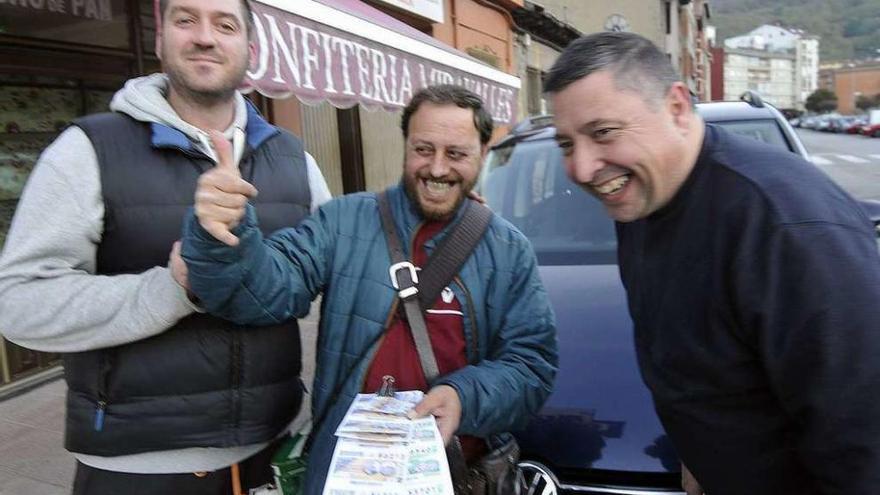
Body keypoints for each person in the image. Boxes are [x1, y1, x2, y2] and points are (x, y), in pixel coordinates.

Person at [0, 0, 331, 493]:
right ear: (160, 40)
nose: (205, 37)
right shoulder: (88, 150)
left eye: (225, 24)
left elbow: (341, 272)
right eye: (185, 19)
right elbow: (19, 305)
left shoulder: (293, 158)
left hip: (270, 456)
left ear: (249, 48)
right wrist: (172, 289)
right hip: (138, 470)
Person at [544, 31, 880, 495]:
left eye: (604, 133)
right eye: (566, 144)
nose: (582, 168)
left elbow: (864, 446)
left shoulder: (788, 230)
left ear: (677, 108)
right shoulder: (644, 199)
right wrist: (700, 454)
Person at [181, 84, 558, 493]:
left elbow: (532, 366)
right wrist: (223, 234)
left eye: (456, 154)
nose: (436, 168)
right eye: (423, 149)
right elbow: (261, 291)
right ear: (405, 146)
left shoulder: (507, 249)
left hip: (456, 475)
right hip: (347, 474)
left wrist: (464, 396)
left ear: (483, 155)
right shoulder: (343, 221)